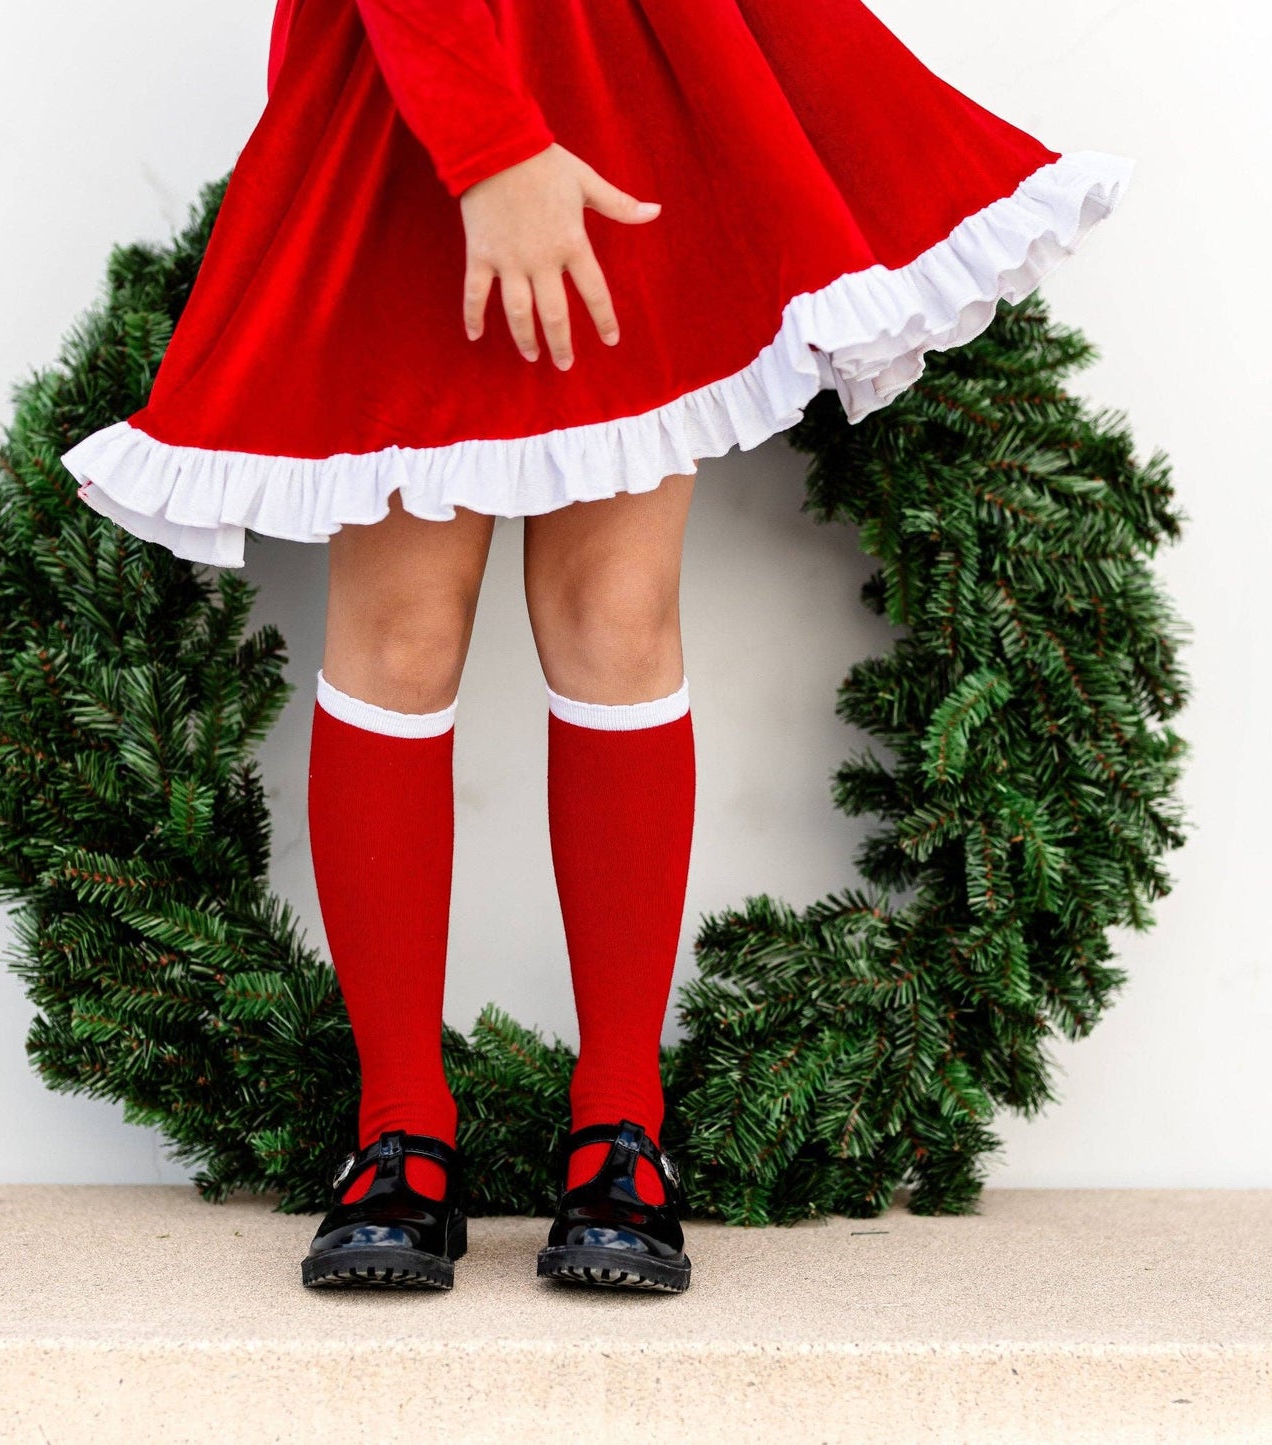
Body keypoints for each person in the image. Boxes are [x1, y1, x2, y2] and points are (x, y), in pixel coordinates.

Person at [60, 0, 1133, 1293]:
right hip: (421, 114)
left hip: (623, 88)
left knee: (612, 611)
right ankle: (398, 1123)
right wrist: (486, 147)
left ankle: (620, 1120)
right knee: (401, 629)